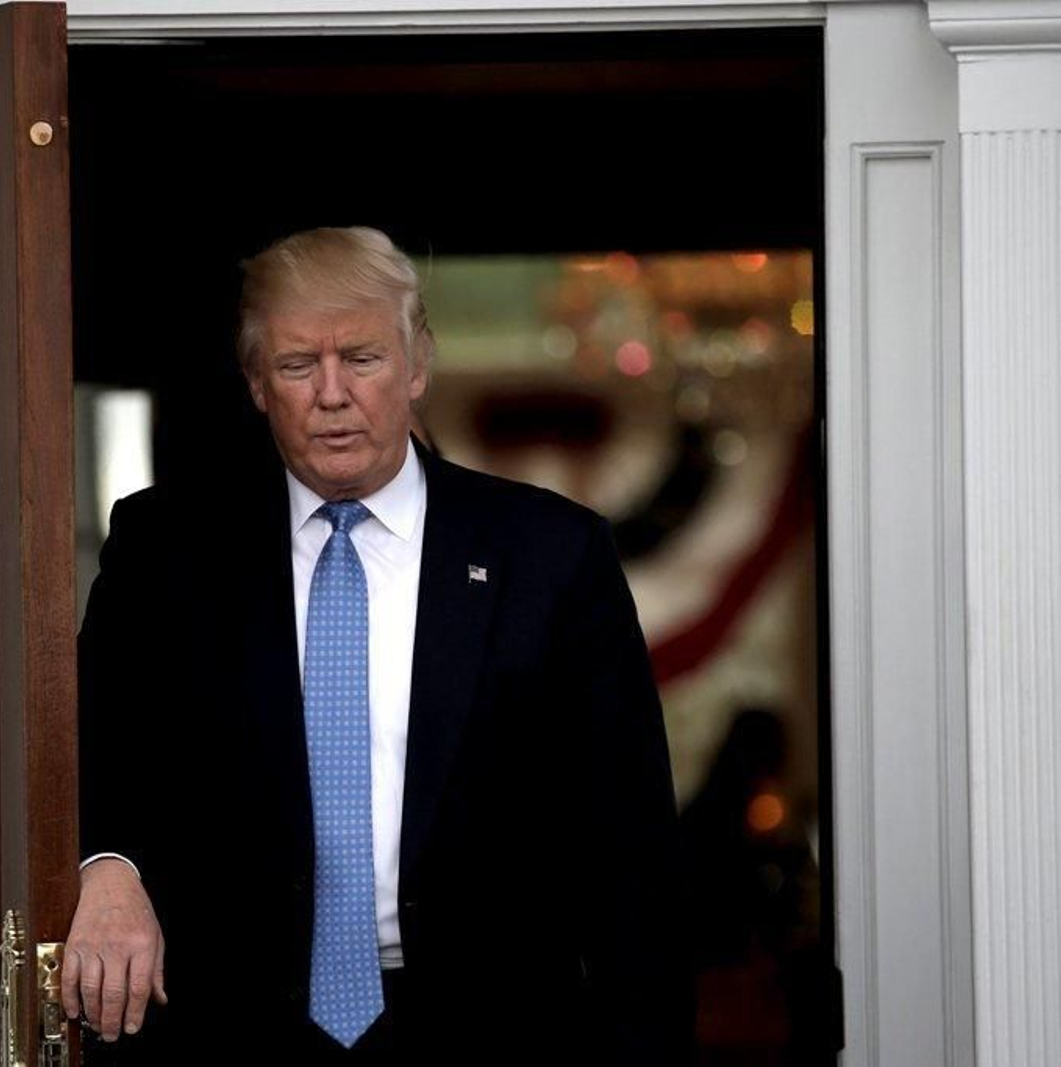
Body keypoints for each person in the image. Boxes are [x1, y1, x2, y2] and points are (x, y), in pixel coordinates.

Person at [62, 226, 692, 1061]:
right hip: (229, 1023)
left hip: (493, 1027)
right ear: (256, 382)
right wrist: (108, 864)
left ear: (417, 367)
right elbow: (95, 737)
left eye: (362, 358)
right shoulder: (166, 546)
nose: (332, 393)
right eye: (297, 365)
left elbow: (630, 843)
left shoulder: (550, 553)